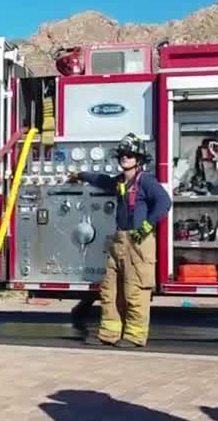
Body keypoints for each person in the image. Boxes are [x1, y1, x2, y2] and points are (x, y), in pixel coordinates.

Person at [66, 132, 171, 347]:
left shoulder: (146, 182)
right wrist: (81, 175)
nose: (125, 157)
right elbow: (103, 180)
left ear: (139, 159)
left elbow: (164, 202)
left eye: (130, 154)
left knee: (135, 290)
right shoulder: (121, 182)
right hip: (119, 241)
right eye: (122, 154)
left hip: (138, 243)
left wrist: (148, 224)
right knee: (109, 289)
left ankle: (134, 336)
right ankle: (109, 334)